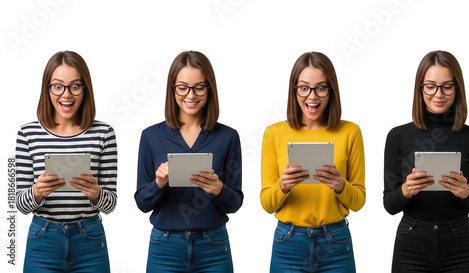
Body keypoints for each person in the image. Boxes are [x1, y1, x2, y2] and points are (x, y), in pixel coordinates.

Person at [134, 51, 243, 273]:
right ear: (172, 89)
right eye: (182, 87)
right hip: (164, 249)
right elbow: (142, 203)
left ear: (209, 89)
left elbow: (235, 203)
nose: (190, 95)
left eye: (199, 87)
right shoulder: (151, 137)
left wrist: (218, 188)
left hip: (213, 248)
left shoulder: (228, 137)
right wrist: (158, 183)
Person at [383, 50, 469, 272]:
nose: (438, 94)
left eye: (447, 86)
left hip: (460, 245)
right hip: (411, 245)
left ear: (457, 89)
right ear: (420, 89)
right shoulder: (397, 136)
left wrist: (465, 193)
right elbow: (389, 205)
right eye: (430, 86)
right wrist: (406, 190)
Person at [260, 52, 365, 272]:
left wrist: (340, 186)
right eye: (304, 88)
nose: (312, 97)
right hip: (288, 242)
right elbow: (267, 204)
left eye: (321, 88)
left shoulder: (350, 132)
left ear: (331, 90)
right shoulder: (274, 133)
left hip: (335, 242)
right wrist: (283, 186)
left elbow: (358, 202)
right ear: (295, 90)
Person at [15, 51, 118, 272]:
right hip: (42, 240)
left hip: (89, 240)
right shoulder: (27, 134)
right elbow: (20, 204)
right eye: (58, 86)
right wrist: (37, 191)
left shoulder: (104, 133)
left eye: (75, 86)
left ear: (85, 89)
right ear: (48, 89)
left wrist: (96, 193)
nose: (66, 95)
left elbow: (111, 204)